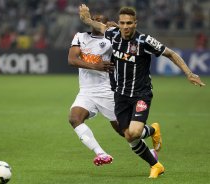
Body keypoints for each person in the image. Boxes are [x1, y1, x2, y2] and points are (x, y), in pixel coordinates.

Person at [79, 4, 205, 178]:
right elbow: (98, 26)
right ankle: (155, 157)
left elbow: (171, 54)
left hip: (141, 95)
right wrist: (85, 18)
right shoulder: (112, 35)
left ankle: (151, 145)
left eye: (129, 23)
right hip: (120, 95)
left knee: (136, 132)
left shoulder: (144, 41)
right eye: (122, 23)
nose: (125, 26)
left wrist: (189, 73)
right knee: (129, 137)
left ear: (135, 23)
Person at [68, 14, 118, 166]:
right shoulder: (81, 36)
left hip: (107, 90)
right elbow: (72, 60)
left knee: (125, 131)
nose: (96, 20)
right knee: (74, 119)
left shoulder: (112, 39)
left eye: (100, 19)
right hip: (86, 91)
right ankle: (101, 153)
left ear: (105, 24)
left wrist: (116, 27)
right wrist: (95, 66)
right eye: (94, 18)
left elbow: (128, 39)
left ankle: (149, 141)